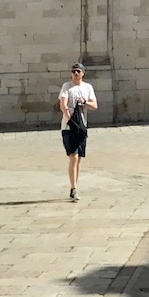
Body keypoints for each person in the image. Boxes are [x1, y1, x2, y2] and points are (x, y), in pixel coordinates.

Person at [59, 63, 98, 203]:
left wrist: (85, 102)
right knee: (73, 157)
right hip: (69, 128)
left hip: (82, 127)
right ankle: (74, 188)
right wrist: (70, 119)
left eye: (78, 71)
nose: (76, 73)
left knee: (79, 159)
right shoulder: (66, 87)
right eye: (73, 71)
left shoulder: (88, 88)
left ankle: (74, 187)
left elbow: (94, 106)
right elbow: (63, 105)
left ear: (83, 73)